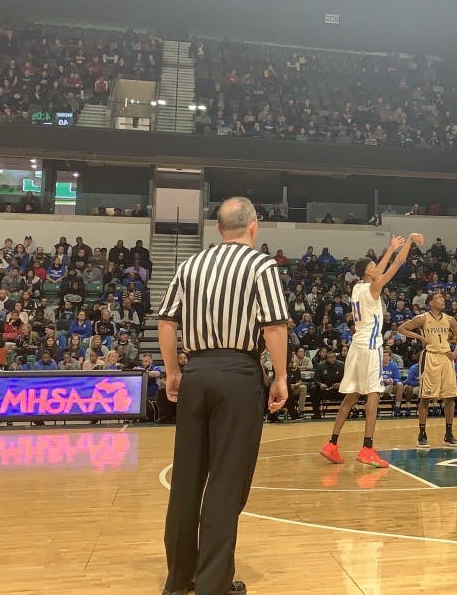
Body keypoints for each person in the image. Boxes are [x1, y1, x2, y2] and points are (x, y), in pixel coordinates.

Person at [157, 196, 290, 595]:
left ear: (218, 229)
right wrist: (280, 376)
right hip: (238, 374)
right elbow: (274, 327)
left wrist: (173, 371)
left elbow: (166, 320)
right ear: (254, 226)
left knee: (186, 480)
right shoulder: (261, 265)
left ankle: (178, 580)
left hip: (196, 371)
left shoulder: (190, 264)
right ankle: (213, 584)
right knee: (226, 482)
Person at [319, 233, 420, 467]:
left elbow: (387, 267)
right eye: (374, 266)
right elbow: (395, 265)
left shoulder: (357, 287)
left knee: (352, 396)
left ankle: (331, 444)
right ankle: (367, 448)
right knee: (374, 394)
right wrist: (397, 247)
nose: (378, 268)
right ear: (367, 271)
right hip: (370, 346)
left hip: (356, 345)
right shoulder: (373, 287)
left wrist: (391, 251)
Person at [397, 291, 457, 447]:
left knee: (450, 397)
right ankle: (422, 434)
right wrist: (420, 337)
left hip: (446, 358)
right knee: (426, 397)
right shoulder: (422, 318)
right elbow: (401, 329)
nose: (443, 300)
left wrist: (455, 352)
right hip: (430, 357)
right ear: (431, 303)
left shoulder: (450, 320)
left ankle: (448, 434)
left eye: (443, 298)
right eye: (439, 298)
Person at [311, 350, 344, 420]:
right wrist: (320, 384)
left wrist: (340, 384)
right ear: (326, 358)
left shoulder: (341, 365)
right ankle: (317, 413)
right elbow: (316, 379)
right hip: (325, 390)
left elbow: (347, 378)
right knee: (313, 389)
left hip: (338, 390)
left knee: (349, 389)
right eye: (329, 357)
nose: (332, 359)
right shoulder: (321, 365)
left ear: (336, 358)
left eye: (333, 357)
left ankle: (346, 413)